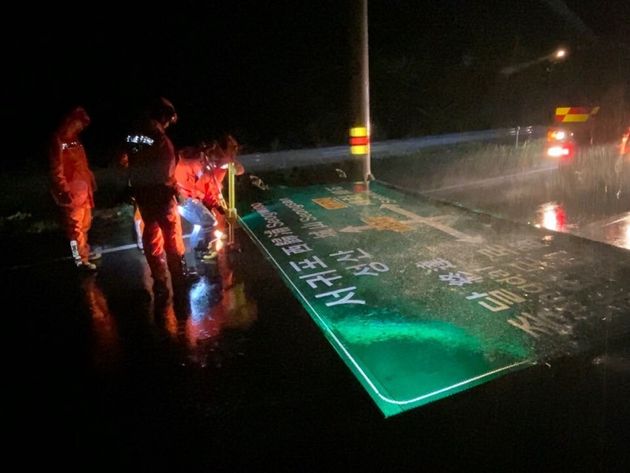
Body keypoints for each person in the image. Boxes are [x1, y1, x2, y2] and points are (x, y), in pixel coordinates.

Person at [125, 97, 189, 298]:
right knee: (171, 236)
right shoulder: (160, 139)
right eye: (168, 119)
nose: (169, 124)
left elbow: (125, 160)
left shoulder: (134, 136)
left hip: (143, 195)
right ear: (162, 116)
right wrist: (177, 191)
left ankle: (160, 280)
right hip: (161, 195)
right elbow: (166, 171)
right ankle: (178, 277)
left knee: (151, 236)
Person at [49, 106, 100, 271]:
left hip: (83, 192)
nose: (82, 127)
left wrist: (90, 179)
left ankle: (84, 251)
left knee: (84, 225)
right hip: (71, 194)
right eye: (80, 123)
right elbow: (56, 169)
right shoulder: (58, 140)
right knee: (74, 230)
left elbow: (82, 165)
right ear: (71, 120)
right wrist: (63, 190)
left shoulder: (75, 140)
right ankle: (79, 260)